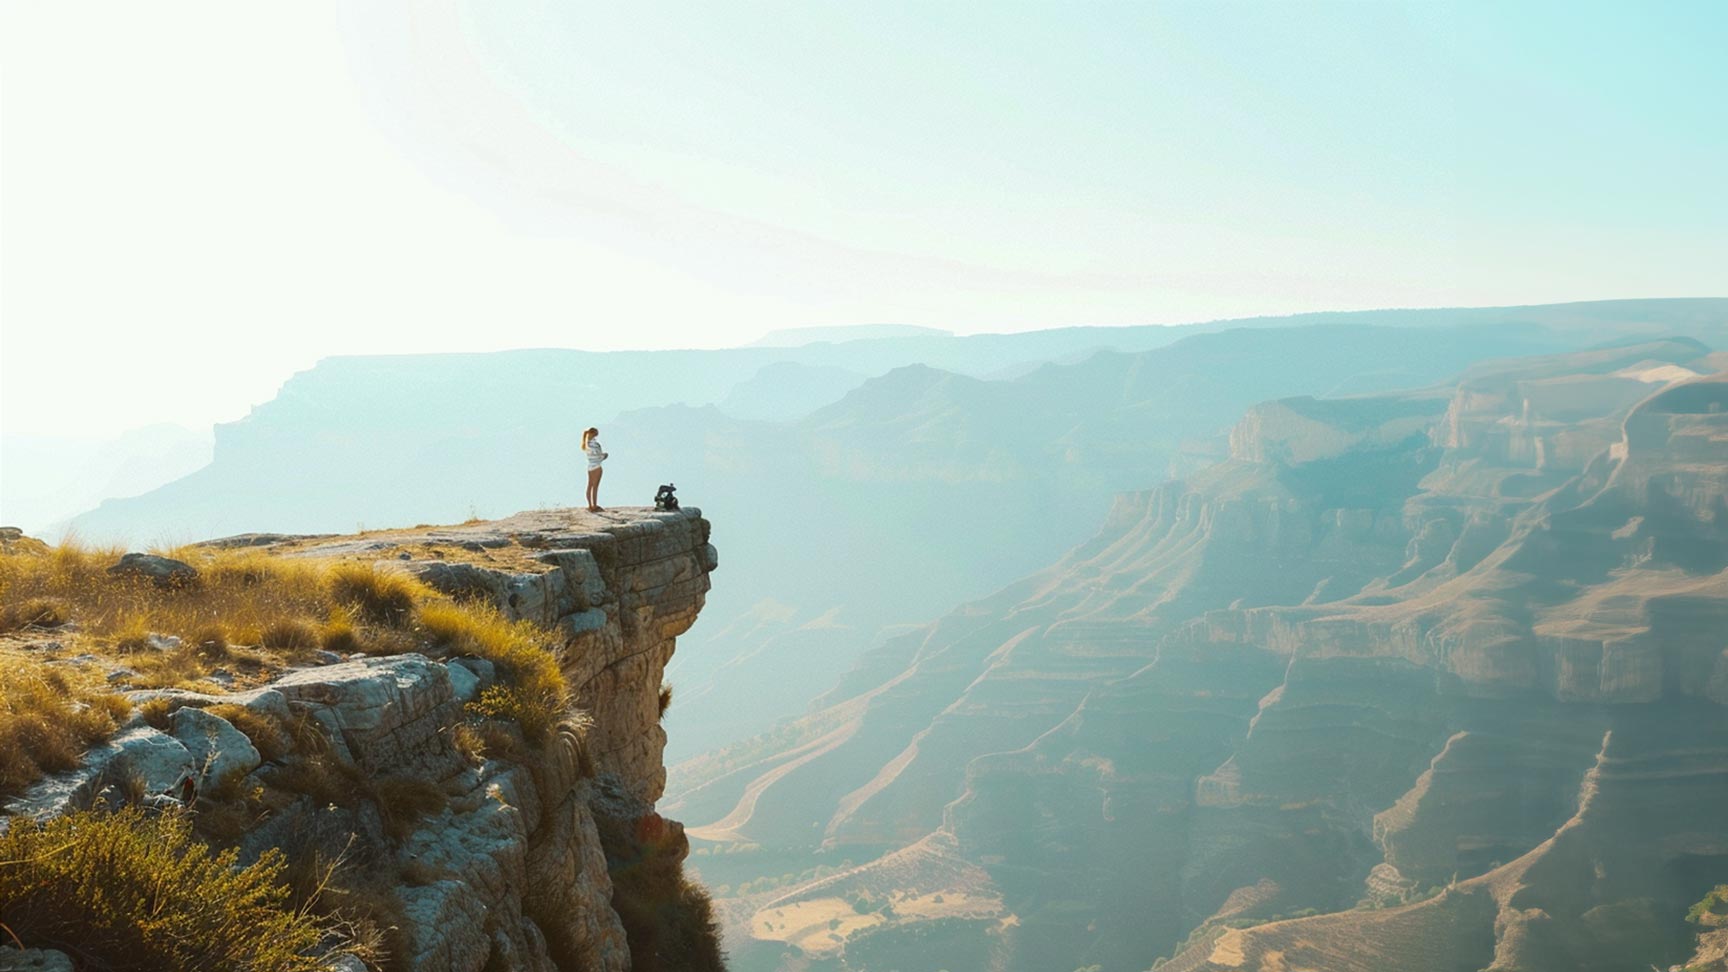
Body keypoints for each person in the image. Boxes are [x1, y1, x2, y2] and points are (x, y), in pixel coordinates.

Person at [582, 427, 608, 512]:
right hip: (597, 467)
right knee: (595, 487)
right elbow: (599, 456)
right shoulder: (596, 445)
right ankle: (595, 505)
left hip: (590, 467)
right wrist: (605, 456)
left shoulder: (586, 444)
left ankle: (590, 505)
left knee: (589, 486)